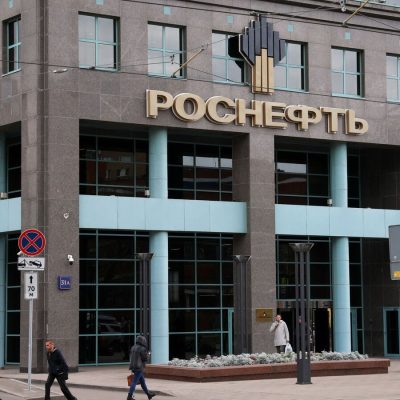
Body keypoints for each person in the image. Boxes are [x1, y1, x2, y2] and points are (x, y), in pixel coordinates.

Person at [127, 335, 156, 400]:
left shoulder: (133, 347)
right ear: (142, 341)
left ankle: (149, 394)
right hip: (139, 367)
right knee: (134, 382)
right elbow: (145, 359)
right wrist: (148, 354)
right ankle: (129, 396)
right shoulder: (142, 349)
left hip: (133, 366)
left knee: (142, 382)